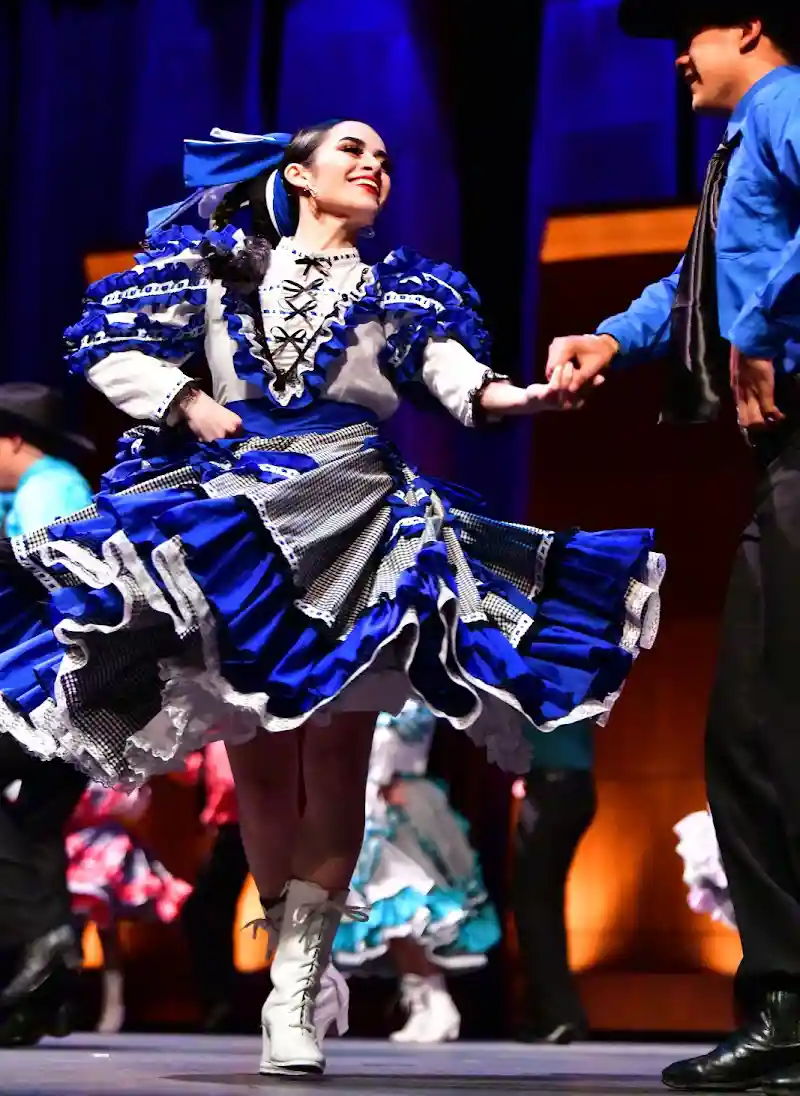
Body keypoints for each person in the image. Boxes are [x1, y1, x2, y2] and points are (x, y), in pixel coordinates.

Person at [0, 119, 663, 1077]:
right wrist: (189, 406)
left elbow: (457, 379)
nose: (374, 166)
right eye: (354, 151)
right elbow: (114, 350)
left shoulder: (402, 287)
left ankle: (298, 987)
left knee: (339, 756)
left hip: (356, 516)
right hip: (239, 521)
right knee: (262, 770)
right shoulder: (218, 269)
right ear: (299, 174)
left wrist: (522, 400)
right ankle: (291, 971)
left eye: (387, 160)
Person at [545, 0, 800, 1092]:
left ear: (746, 28)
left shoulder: (793, 103)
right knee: (762, 728)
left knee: (753, 731)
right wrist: (613, 336)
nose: (678, 66)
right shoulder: (748, 142)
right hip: (781, 463)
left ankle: (787, 1007)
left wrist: (761, 326)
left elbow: (758, 280)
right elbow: (693, 277)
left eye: (690, 39)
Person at [0, 383, 94, 1046]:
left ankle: (42, 938)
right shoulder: (42, 489)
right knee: (32, 829)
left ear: (11, 439)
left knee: (29, 828)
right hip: (70, 695)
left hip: (56, 692)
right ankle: (46, 985)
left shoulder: (47, 490)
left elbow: (59, 589)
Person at [333, 699, 501, 1043]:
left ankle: (436, 1000)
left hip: (399, 804)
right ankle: (426, 1001)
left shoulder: (412, 695)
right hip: (370, 807)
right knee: (388, 917)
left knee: (405, 908)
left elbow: (391, 746)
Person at [64, 781, 191, 1033]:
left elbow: (133, 803)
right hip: (75, 845)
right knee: (69, 932)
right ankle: (64, 1004)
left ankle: (112, 1007)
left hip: (106, 848)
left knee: (105, 931)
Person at [512, 721, 595, 1044]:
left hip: (553, 784)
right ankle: (561, 1015)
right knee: (543, 900)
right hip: (570, 784)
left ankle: (555, 1016)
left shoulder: (544, 674)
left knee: (533, 902)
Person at [173, 742, 250, 1032]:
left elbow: (228, 782)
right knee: (204, 911)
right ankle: (222, 1000)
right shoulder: (213, 729)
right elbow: (191, 773)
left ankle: (227, 1000)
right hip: (232, 829)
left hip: (262, 823)